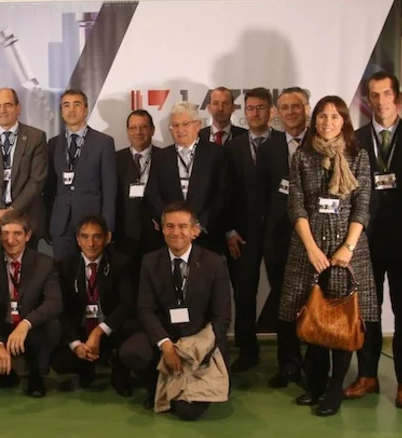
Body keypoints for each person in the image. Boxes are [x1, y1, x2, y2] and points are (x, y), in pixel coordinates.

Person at [278, 95, 378, 417]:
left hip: (347, 251)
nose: (328, 122)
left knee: (342, 320)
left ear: (344, 121)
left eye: (335, 116)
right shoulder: (302, 156)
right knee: (314, 316)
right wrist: (311, 248)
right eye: (322, 116)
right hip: (309, 249)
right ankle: (316, 384)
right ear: (314, 120)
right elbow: (295, 204)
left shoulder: (358, 155)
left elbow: (362, 205)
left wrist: (347, 247)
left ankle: (335, 388)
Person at [345, 71, 402, 408]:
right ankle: (367, 375)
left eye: (386, 93)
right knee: (367, 312)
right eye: (374, 95)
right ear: (367, 100)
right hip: (365, 241)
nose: (380, 101)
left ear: (398, 98)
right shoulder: (355, 140)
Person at [120, 202, 233, 420]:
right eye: (170, 226)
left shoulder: (214, 263)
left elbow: (222, 317)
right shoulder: (150, 262)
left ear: (194, 230)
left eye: (182, 226)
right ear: (162, 229)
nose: (176, 232)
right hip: (167, 338)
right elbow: (145, 309)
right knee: (131, 351)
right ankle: (157, 387)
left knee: (188, 412)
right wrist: (166, 345)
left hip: (199, 345)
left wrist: (193, 350)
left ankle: (180, 387)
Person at [0, 210, 62, 397]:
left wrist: (25, 324)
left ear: (28, 236)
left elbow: (54, 302)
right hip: (2, 327)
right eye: (5, 233)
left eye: (17, 233)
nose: (10, 240)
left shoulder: (45, 263)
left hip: (30, 326)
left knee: (52, 326)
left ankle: (37, 372)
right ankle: (7, 369)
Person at [52, 214, 137, 396]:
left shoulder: (121, 264)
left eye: (97, 237)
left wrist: (99, 332)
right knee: (61, 360)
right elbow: (60, 310)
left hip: (110, 329)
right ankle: (85, 367)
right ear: (78, 240)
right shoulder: (65, 266)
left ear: (107, 238)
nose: (90, 243)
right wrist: (76, 344)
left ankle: (120, 375)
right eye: (85, 237)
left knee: (131, 326)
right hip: (81, 330)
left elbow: (127, 304)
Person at [260, 87, 309, 388]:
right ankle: (289, 365)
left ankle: (315, 368)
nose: (291, 112)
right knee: (284, 303)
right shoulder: (269, 148)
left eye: (296, 106)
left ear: (307, 109)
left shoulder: (321, 142)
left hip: (315, 240)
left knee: (315, 302)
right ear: (277, 113)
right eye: (285, 107)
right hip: (279, 240)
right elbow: (261, 195)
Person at [223, 88, 274, 373]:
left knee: (285, 293)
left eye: (261, 107)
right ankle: (247, 350)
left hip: (278, 232)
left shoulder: (283, 143)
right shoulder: (232, 147)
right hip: (242, 234)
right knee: (244, 294)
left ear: (271, 111)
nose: (255, 113)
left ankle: (290, 356)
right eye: (250, 108)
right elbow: (225, 193)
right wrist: (229, 230)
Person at [145, 101, 230, 253]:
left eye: (185, 124)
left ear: (197, 125)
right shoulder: (160, 157)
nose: (180, 130)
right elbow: (153, 193)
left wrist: (199, 224)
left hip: (206, 236)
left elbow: (222, 194)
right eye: (175, 125)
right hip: (171, 237)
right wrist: (170, 224)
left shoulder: (216, 154)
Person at [0, 87, 48, 253]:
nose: (3, 110)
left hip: (25, 219)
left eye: (8, 105)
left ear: (18, 108)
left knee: (28, 269)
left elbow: (37, 180)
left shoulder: (36, 137)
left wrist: (11, 211)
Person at [45, 89, 117, 260]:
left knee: (92, 271)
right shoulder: (53, 143)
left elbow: (110, 189)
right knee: (63, 271)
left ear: (85, 110)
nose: (71, 110)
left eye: (76, 104)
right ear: (61, 112)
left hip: (92, 224)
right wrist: (49, 222)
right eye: (66, 105)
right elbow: (49, 188)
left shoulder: (103, 142)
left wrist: (107, 226)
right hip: (61, 225)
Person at [115, 109, 162, 255]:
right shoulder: (115, 159)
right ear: (127, 131)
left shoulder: (165, 157)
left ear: (152, 130)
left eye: (144, 127)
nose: (138, 132)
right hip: (123, 235)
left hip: (156, 234)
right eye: (133, 128)